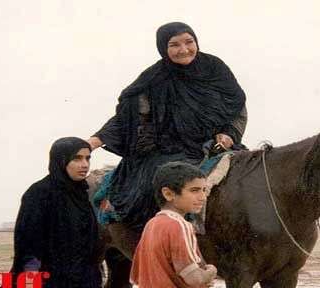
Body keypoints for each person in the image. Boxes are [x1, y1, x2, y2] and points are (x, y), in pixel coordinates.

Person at [87, 21, 248, 232]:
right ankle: (152, 238)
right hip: (168, 150)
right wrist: (92, 142)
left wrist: (229, 133)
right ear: (164, 47)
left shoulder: (215, 68)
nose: (184, 50)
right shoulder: (154, 79)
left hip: (214, 146)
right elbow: (128, 118)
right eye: (175, 45)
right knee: (156, 186)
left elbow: (236, 106)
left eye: (189, 42)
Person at [0, 137, 103, 288]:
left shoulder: (81, 195)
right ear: (61, 160)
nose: (85, 164)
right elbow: (28, 241)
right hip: (49, 283)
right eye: (77, 158)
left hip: (82, 282)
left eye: (87, 158)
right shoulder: (40, 193)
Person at [130, 162, 217, 288]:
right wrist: (210, 273)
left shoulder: (152, 224)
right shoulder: (180, 226)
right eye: (194, 190)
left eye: (204, 190)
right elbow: (193, 278)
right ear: (168, 194)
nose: (203, 197)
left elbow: (137, 276)